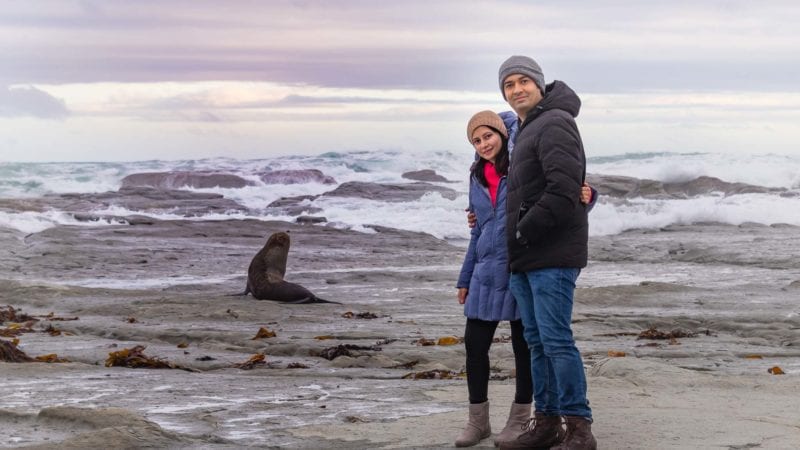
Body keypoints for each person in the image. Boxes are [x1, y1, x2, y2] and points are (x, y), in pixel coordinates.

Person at [455, 111, 593, 448]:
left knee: (528, 346)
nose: (483, 144)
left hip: (521, 262)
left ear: (502, 135)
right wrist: (465, 276)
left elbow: (561, 189)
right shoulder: (476, 176)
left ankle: (522, 421)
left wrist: (590, 194)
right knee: (475, 344)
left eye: (488, 136)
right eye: (476, 140)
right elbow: (479, 232)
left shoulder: (520, 165)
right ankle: (478, 423)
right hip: (487, 270)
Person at [496, 55, 597, 450]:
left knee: (556, 341)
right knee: (537, 342)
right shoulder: (526, 128)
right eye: (509, 85)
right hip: (526, 255)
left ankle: (579, 426)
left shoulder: (555, 123)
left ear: (539, 84)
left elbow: (563, 189)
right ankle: (547, 422)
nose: (517, 89)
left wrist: (523, 231)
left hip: (551, 253)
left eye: (523, 81)